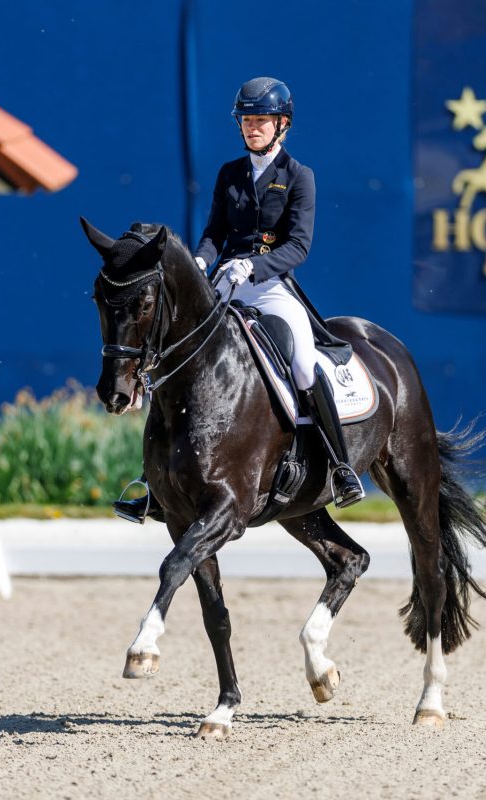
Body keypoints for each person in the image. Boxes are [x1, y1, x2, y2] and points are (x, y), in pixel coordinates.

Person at [114, 76, 364, 524]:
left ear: (282, 124)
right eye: (247, 120)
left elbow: (298, 246)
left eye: (261, 120)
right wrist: (200, 260)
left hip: (271, 287)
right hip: (225, 282)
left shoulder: (298, 177)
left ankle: (340, 467)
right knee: (174, 357)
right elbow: (215, 232)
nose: (252, 127)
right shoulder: (230, 173)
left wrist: (254, 265)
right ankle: (153, 483)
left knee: (303, 364)